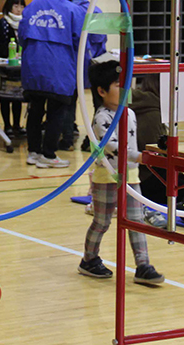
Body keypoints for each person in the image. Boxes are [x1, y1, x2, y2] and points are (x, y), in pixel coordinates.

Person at [78, 60, 164, 286]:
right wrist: (139, 157)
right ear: (102, 91)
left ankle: (143, 265)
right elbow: (112, 146)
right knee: (102, 222)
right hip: (107, 178)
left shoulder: (130, 113)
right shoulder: (101, 118)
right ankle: (89, 259)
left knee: (136, 221)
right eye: (118, 85)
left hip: (131, 177)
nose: (126, 89)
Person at [19, 0, 85, 169]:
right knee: (57, 111)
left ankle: (33, 152)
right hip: (59, 67)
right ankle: (48, 154)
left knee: (35, 109)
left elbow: (22, 36)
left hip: (33, 66)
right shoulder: (74, 11)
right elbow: (79, 41)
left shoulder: (33, 6)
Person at [0, 0, 26, 136]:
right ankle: (7, 125)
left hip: (20, 68)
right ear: (9, 7)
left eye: (21, 6)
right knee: (5, 97)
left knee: (18, 97)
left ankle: (17, 125)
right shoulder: (2, 24)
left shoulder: (25, 23)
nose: (19, 9)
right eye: (15, 5)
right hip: (5, 66)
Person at [68, 0, 107, 89]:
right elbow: (102, 40)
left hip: (73, 67)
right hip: (95, 66)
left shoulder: (69, 11)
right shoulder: (97, 11)